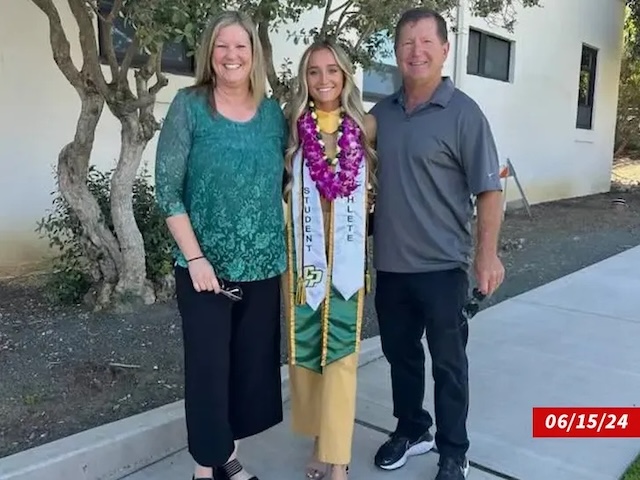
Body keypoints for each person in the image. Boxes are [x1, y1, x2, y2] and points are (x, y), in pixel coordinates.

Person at [369, 8, 505, 480]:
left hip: (444, 267)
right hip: (389, 266)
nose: (416, 51)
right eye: (407, 42)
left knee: (448, 364)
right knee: (400, 356)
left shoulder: (463, 113)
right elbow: (342, 158)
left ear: (445, 50)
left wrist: (487, 255)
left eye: (427, 41)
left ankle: (453, 449)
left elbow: (489, 189)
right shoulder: (379, 116)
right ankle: (412, 428)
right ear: (396, 51)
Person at [154, 11, 288, 480]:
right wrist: (195, 258)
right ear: (210, 54)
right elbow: (166, 188)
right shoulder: (189, 105)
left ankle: (224, 457)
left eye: (241, 47)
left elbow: (293, 176)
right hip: (204, 270)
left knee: (246, 371)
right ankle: (205, 467)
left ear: (254, 54)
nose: (232, 56)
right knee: (209, 372)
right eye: (222, 46)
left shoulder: (273, 114)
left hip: (263, 265)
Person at [282, 39, 377, 480]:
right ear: (305, 78)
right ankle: (321, 443)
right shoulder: (292, 127)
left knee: (340, 356)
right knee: (310, 355)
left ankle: (338, 461)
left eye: (332, 71)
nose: (323, 80)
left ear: (345, 76)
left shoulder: (365, 127)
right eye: (314, 72)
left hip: (346, 258)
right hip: (304, 256)